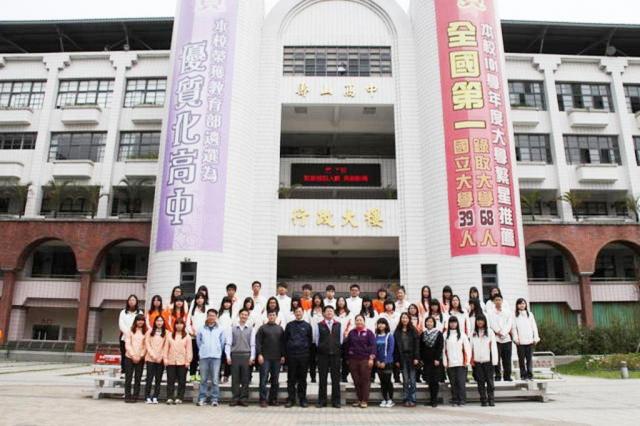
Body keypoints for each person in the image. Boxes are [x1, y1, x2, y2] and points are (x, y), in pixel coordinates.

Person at [225, 309, 256, 407]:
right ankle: (235, 398)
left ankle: (243, 399)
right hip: (235, 355)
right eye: (242, 314)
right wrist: (228, 356)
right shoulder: (232, 328)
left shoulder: (251, 329)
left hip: (246, 355)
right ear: (239, 315)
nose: (244, 316)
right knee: (235, 378)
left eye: (246, 315)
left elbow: (253, 344)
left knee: (245, 379)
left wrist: (252, 357)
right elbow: (228, 343)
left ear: (248, 316)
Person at [313, 305, 343, 408]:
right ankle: (322, 401)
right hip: (323, 355)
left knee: (336, 379)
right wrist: (323, 347)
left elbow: (341, 340)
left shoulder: (338, 324)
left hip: (335, 355)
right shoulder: (319, 325)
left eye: (331, 311)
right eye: (327, 311)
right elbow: (316, 340)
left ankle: (336, 401)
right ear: (324, 313)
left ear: (334, 313)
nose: (329, 312)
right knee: (322, 379)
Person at [284, 305, 313, 408]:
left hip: (303, 355)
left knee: (302, 378)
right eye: (296, 312)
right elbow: (285, 340)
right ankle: (291, 399)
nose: (298, 313)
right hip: (292, 355)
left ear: (303, 313)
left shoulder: (307, 326)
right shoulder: (289, 325)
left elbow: (310, 340)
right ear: (294, 313)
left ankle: (302, 399)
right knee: (291, 378)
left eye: (300, 311)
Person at [345, 314, 376, 408]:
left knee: (365, 380)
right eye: (357, 320)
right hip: (353, 359)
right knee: (356, 380)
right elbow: (347, 345)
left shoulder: (369, 333)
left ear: (364, 321)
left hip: (365, 359)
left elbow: (373, 346)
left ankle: (364, 400)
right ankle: (359, 399)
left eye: (360, 320)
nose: (359, 322)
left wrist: (371, 358)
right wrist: (348, 358)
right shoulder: (352, 332)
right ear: (355, 322)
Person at [196, 308, 226, 407]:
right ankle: (202, 398)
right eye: (209, 315)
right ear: (207, 316)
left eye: (213, 315)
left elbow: (222, 343)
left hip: (216, 357)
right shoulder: (201, 328)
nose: (211, 317)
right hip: (204, 356)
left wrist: (217, 350)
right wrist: (203, 350)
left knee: (215, 380)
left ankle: (214, 399)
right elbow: (199, 342)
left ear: (216, 317)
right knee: (203, 379)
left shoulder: (220, 329)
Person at [256, 310, 285, 407]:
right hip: (265, 358)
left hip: (277, 358)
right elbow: (258, 342)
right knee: (263, 379)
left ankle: (273, 399)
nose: (272, 316)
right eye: (270, 315)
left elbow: (282, 343)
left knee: (275, 380)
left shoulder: (280, 329)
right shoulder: (262, 328)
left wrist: (283, 355)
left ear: (276, 316)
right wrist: (259, 354)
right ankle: (263, 400)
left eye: (273, 315)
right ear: (267, 316)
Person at [470, 314, 498, 407]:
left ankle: (491, 399)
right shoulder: (473, 333)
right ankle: (483, 399)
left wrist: (494, 361)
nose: (480, 322)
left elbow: (493, 347)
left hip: (488, 360)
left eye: (481, 320)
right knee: (480, 381)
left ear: (485, 321)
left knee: (490, 381)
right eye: (478, 320)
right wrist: (471, 360)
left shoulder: (490, 332)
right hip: (477, 361)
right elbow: (470, 347)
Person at [443, 316, 470, 406]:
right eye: (451, 322)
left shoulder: (462, 335)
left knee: (461, 382)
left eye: (454, 322)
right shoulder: (445, 335)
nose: (453, 324)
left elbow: (467, 349)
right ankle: (455, 399)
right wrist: (445, 362)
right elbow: (444, 350)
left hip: (461, 363)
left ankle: (462, 400)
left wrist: (467, 361)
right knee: (453, 383)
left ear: (457, 323)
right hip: (450, 363)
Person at [164, 317, 192, 404]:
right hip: (171, 361)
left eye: (181, 323)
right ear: (174, 325)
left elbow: (189, 350)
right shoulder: (170, 335)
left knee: (182, 381)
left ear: (183, 325)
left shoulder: (187, 336)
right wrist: (165, 359)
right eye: (177, 323)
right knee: (170, 380)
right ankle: (170, 397)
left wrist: (188, 361)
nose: (179, 325)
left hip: (182, 362)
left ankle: (180, 397)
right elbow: (166, 348)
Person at [394, 312, 420, 407]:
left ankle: (412, 399)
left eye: (406, 318)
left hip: (412, 357)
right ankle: (406, 398)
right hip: (402, 357)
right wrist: (396, 360)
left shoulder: (413, 330)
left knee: (412, 380)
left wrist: (416, 357)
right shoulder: (397, 331)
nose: (404, 319)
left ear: (409, 319)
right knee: (405, 380)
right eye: (403, 318)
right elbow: (396, 348)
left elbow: (417, 346)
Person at [512, 298, 540, 381]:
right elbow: (514, 328)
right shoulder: (514, 315)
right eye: (520, 303)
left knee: (529, 359)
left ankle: (530, 375)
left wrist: (536, 337)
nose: (522, 305)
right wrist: (516, 338)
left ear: (525, 305)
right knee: (521, 359)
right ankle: (523, 375)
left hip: (530, 341)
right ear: (517, 305)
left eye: (523, 303)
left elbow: (534, 327)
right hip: (520, 342)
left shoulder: (530, 314)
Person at [420, 316, 444, 407]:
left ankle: (435, 400)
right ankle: (431, 400)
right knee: (429, 381)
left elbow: (440, 346)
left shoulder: (438, 333)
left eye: (431, 322)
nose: (429, 323)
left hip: (435, 360)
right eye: (427, 321)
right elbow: (421, 347)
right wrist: (422, 359)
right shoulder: (423, 334)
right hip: (427, 361)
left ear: (434, 323)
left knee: (435, 381)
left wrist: (437, 358)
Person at [488, 294, 513, 381]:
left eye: (499, 299)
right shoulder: (490, 312)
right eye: (496, 300)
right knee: (496, 358)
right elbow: (491, 323)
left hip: (506, 338)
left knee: (507, 359)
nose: (498, 301)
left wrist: (504, 332)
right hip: (496, 338)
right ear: (493, 302)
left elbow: (509, 323)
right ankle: (498, 376)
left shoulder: (507, 312)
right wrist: (498, 331)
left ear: (502, 301)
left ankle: (507, 376)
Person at [124, 313, 147, 403]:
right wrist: (133, 355)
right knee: (128, 378)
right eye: (139, 320)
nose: (140, 322)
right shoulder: (130, 331)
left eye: (142, 320)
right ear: (135, 321)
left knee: (138, 378)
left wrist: (141, 355)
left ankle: (135, 396)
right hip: (129, 357)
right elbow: (127, 344)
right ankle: (127, 396)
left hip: (140, 358)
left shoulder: (146, 332)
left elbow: (145, 345)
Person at [144, 315, 166, 404]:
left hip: (160, 359)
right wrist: (153, 355)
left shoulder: (166, 333)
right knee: (149, 378)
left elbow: (166, 346)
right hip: (150, 358)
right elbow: (147, 344)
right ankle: (147, 396)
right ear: (155, 322)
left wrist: (161, 356)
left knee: (158, 379)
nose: (159, 322)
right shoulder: (149, 332)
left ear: (163, 322)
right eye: (157, 321)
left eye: (161, 321)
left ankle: (155, 396)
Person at [119, 295, 143, 374]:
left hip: (137, 338)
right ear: (128, 302)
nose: (131, 301)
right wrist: (129, 334)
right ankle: (123, 372)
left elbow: (141, 324)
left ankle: (135, 373)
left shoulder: (140, 312)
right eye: (130, 300)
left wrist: (134, 335)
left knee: (135, 354)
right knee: (124, 354)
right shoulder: (123, 312)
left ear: (136, 302)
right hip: (124, 337)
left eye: (133, 300)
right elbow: (121, 324)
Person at [375, 318, 395, 408]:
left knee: (388, 381)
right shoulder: (376, 336)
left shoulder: (389, 336)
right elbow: (375, 350)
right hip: (378, 362)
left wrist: (385, 362)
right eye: (379, 323)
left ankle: (390, 399)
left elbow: (391, 350)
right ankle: (384, 398)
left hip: (388, 362)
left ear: (386, 325)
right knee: (382, 381)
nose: (381, 325)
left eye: (383, 323)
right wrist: (377, 361)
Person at [188, 291, 208, 382]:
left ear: (204, 299)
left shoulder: (207, 309)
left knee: (202, 357)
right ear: (195, 300)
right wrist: (191, 331)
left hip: (204, 338)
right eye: (198, 298)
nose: (200, 300)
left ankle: (200, 374)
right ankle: (192, 375)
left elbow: (208, 322)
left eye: (201, 298)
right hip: (193, 337)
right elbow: (188, 322)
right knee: (193, 357)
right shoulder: (192, 309)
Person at [335, 296, 353, 383]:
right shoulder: (334, 312)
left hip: (346, 339)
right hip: (336, 339)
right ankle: (337, 375)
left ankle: (344, 375)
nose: (341, 302)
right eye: (339, 300)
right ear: (337, 302)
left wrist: (347, 333)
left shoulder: (349, 313)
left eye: (342, 301)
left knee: (346, 359)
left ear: (345, 302)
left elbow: (351, 324)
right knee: (336, 359)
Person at [308, 293, 324, 383]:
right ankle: (313, 377)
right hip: (312, 340)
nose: (317, 300)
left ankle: (322, 377)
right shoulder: (309, 311)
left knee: (322, 360)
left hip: (323, 340)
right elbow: (308, 325)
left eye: (319, 298)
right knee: (312, 360)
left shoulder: (324, 311)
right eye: (315, 298)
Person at [218, 296, 234, 383]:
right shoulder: (219, 313)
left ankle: (226, 375)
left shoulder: (233, 313)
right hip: (220, 339)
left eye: (228, 302)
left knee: (228, 357)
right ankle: (218, 375)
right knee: (219, 358)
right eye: (225, 302)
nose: (227, 304)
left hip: (229, 338)